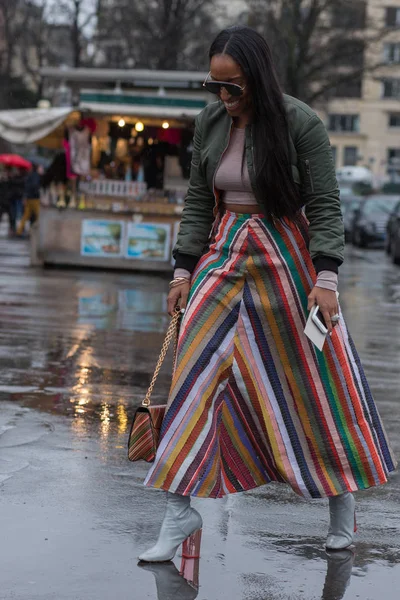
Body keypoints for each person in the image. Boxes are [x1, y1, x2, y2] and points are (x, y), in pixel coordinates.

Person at [138, 26, 396, 563]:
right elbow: (195, 204)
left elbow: (326, 204)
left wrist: (326, 280)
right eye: (216, 87)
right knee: (195, 373)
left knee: (314, 384)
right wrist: (182, 271)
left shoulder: (300, 122)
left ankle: (341, 499)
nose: (224, 98)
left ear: (256, 80)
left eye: (233, 88)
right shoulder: (211, 123)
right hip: (225, 252)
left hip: (288, 258)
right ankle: (177, 509)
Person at [17, 164, 41, 236]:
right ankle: (37, 231)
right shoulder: (36, 176)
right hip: (34, 198)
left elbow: (26, 187)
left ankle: (19, 231)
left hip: (28, 198)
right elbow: (35, 186)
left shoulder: (29, 175)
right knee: (38, 215)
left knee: (26, 215)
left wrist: (25, 196)